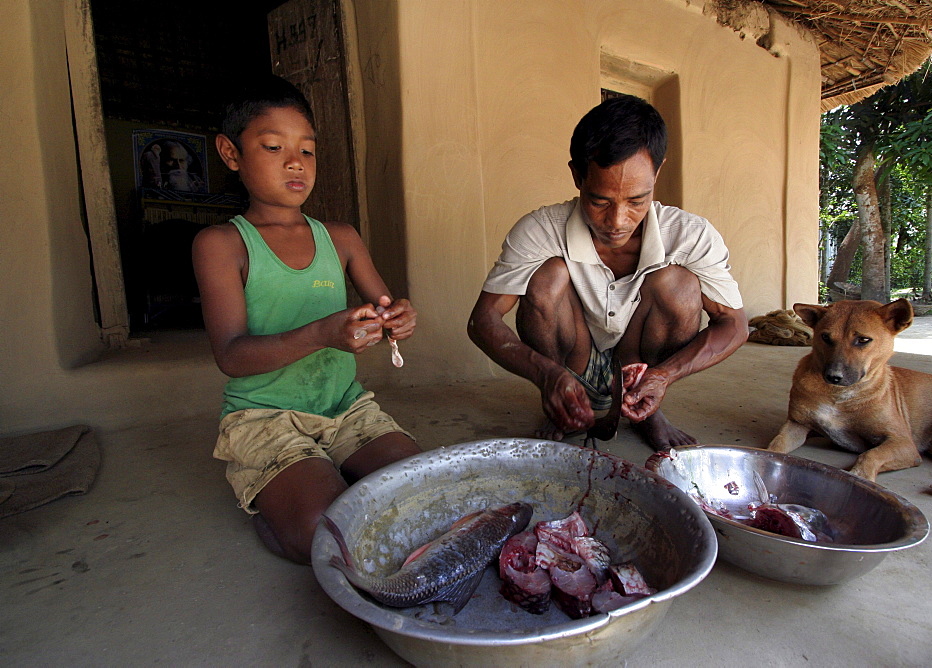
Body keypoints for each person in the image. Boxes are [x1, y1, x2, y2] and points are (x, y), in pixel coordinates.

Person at [192, 75, 420, 564]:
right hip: (264, 417)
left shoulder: (341, 238)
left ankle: (317, 474)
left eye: (308, 151)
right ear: (231, 154)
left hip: (346, 408)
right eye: (273, 146)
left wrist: (396, 319)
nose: (295, 162)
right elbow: (231, 355)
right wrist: (322, 334)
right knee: (326, 531)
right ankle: (279, 505)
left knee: (421, 490)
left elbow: (383, 308)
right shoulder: (222, 245)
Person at [468, 95, 748, 451]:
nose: (617, 222)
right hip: (573, 354)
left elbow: (735, 325)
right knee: (548, 275)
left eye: (636, 201)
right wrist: (545, 374)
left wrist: (665, 375)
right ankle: (564, 397)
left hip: (640, 359)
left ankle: (645, 405)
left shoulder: (691, 235)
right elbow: (483, 319)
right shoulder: (540, 229)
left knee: (678, 283)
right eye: (600, 201)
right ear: (577, 175)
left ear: (657, 174)